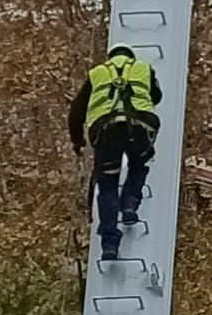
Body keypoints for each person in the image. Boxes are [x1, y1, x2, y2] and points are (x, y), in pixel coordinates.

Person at [68, 43, 162, 262]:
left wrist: (77, 141)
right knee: (139, 164)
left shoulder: (97, 74)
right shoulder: (144, 69)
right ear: (129, 57)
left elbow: (75, 112)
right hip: (139, 125)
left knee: (108, 183)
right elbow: (156, 95)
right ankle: (129, 204)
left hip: (106, 129)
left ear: (110, 58)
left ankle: (109, 244)